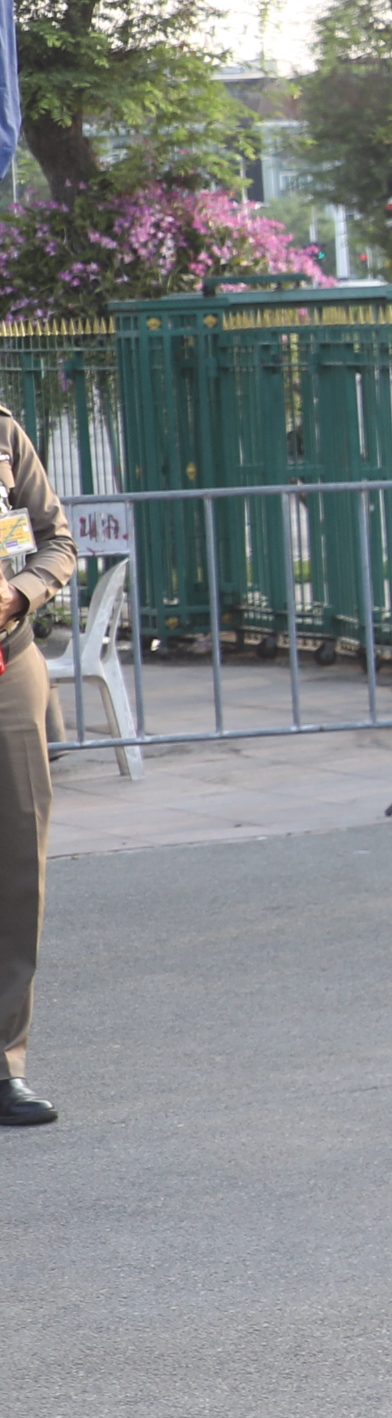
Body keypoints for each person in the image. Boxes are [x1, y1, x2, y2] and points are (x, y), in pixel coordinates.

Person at [0, 407, 74, 1128]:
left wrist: (20, 592)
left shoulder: (1, 431)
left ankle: (3, 1065)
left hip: (8, 669)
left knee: (18, 870)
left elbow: (56, 541)